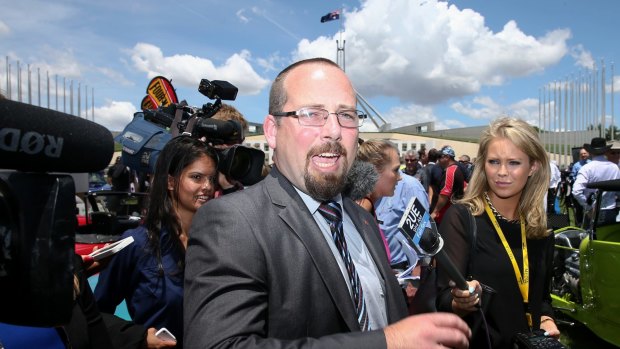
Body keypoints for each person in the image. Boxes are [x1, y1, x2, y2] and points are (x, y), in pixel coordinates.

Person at [183, 58, 470, 349]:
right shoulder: (233, 222)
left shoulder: (364, 220)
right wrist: (385, 343)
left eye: (346, 116)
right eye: (312, 113)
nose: (334, 131)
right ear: (272, 130)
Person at [436, 117, 560, 349]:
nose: (502, 172)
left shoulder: (540, 229)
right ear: (483, 165)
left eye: (514, 162)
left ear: (533, 167)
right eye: (494, 161)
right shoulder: (462, 218)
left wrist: (546, 319)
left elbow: (541, 298)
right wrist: (460, 301)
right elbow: (442, 298)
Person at [95, 136, 219, 348]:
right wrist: (139, 338)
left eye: (212, 178)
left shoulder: (218, 243)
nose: (207, 187)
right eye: (197, 177)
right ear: (171, 182)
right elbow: (95, 315)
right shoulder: (135, 244)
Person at [572, 137, 620, 227]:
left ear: (590, 152)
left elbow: (576, 191)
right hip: (610, 209)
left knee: (591, 238)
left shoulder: (587, 168)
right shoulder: (614, 167)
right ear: (605, 151)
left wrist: (588, 207)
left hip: (594, 210)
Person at [430, 145, 467, 225]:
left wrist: (435, 212)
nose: (438, 160)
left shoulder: (450, 171)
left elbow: (444, 194)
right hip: (455, 212)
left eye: (440, 157)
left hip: (446, 214)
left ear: (447, 157)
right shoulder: (457, 168)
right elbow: (465, 186)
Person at [569, 147, 590, 226]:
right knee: (579, 209)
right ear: (580, 155)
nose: (583, 155)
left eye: (585, 153)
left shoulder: (591, 163)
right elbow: (573, 176)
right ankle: (579, 224)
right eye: (582, 154)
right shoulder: (576, 165)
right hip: (580, 190)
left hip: (589, 190)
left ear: (588, 154)